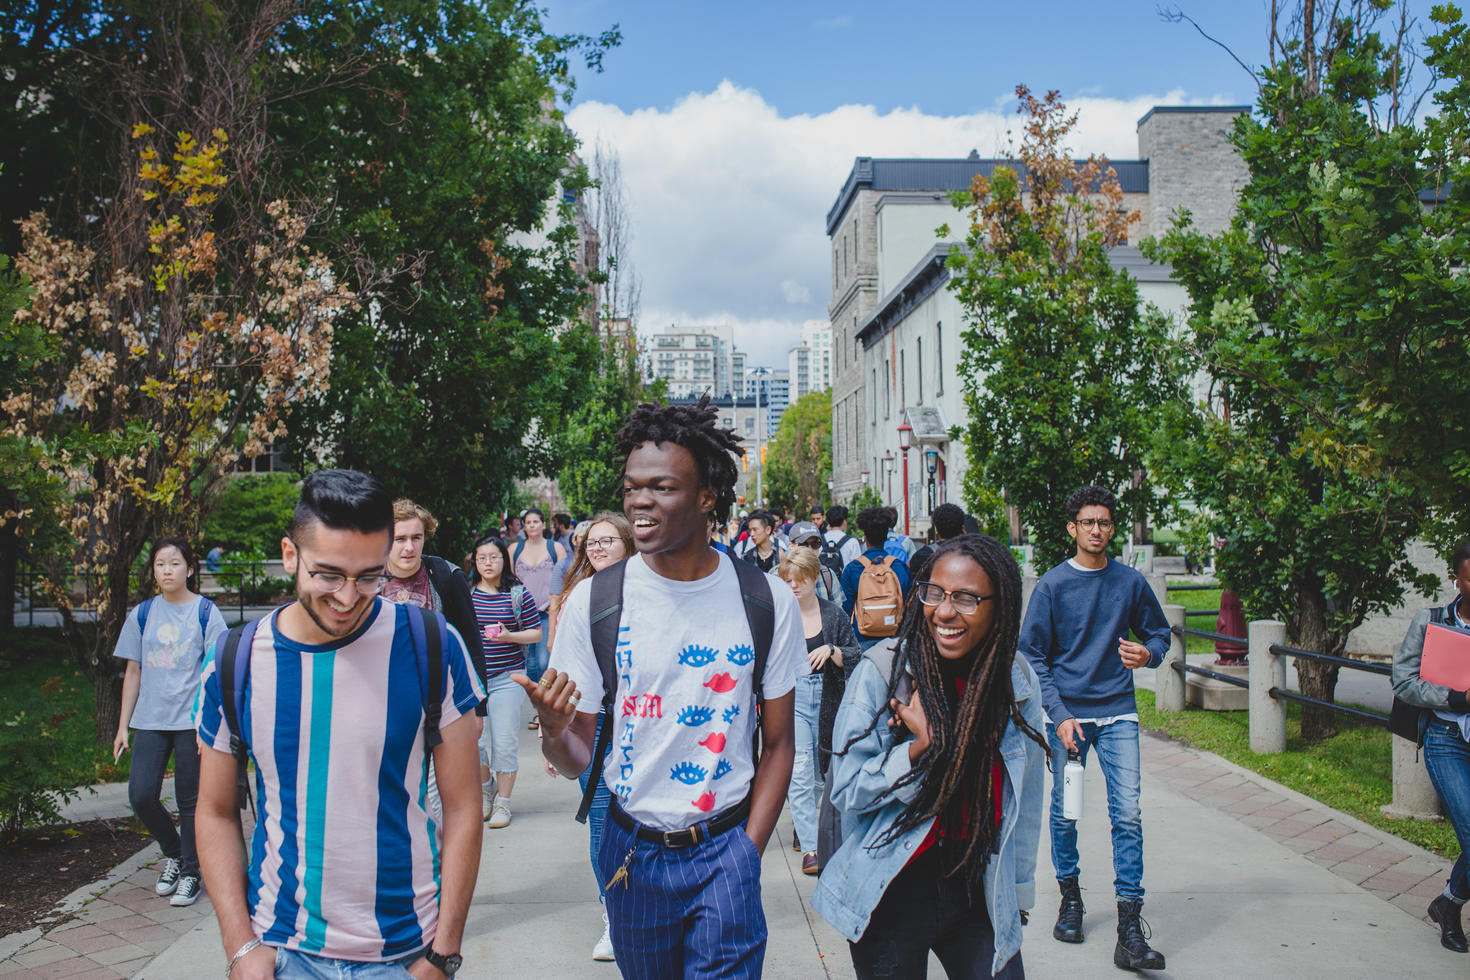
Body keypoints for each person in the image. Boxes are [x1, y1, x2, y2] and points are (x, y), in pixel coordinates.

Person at [523, 396, 803, 978]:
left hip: (725, 846)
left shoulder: (765, 600)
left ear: (706, 496)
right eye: (631, 488)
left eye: (662, 487)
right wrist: (552, 731)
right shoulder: (595, 603)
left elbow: (778, 744)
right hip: (631, 854)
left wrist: (748, 852)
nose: (640, 502)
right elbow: (576, 760)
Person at [195, 469, 485, 980]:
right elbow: (215, 811)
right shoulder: (234, 660)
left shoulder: (430, 644)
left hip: (405, 954)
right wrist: (239, 947)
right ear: (290, 555)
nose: (349, 597)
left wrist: (444, 955)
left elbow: (463, 806)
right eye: (329, 575)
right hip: (282, 953)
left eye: (369, 577)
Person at [816, 534, 1048, 978]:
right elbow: (846, 789)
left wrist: (1016, 893)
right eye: (935, 593)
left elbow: (1027, 797)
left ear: (999, 604)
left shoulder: (1015, 682)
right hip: (892, 888)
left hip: (977, 889)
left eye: (965, 598)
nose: (943, 611)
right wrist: (921, 747)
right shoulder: (885, 672)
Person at [1017, 485, 1170, 971]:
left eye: (1104, 522)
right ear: (1073, 528)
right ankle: (1071, 899)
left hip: (1119, 712)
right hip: (1070, 719)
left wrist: (1149, 654)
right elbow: (1031, 657)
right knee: (1067, 814)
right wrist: (1059, 717)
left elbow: (1160, 632)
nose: (1097, 530)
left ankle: (1129, 926)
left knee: (1127, 814)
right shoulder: (1053, 586)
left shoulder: (1129, 582)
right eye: (1088, 522)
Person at [113, 536, 226, 908]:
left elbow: (215, 672)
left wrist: (208, 724)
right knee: (141, 795)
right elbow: (133, 672)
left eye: (174, 563)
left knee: (190, 800)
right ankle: (175, 853)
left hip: (190, 723)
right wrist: (122, 727)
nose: (167, 570)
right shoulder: (142, 613)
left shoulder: (206, 612)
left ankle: (192, 873)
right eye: (160, 564)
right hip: (151, 720)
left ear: (189, 569)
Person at [547, 512, 636, 962]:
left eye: (608, 540)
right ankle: (614, 918)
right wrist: (557, 734)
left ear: (629, 543)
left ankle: (641, 909)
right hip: (597, 726)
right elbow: (562, 673)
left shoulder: (650, 589)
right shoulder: (580, 595)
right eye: (592, 543)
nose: (598, 548)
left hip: (642, 724)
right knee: (602, 823)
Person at [383, 499, 490, 818]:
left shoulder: (445, 575)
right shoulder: (367, 578)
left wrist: (478, 708)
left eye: (416, 538)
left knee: (437, 797)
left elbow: (471, 641)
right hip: (385, 703)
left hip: (440, 702)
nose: (408, 547)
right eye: (399, 539)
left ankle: (438, 861)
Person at [1392, 537, 1470, 954]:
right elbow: (1403, 681)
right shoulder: (1431, 622)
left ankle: (1447, 903)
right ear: (1455, 579)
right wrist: (1457, 698)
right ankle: (1451, 906)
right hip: (1447, 738)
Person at [777, 546, 859, 876]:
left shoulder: (833, 614)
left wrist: (833, 649)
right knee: (799, 772)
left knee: (823, 774)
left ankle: (822, 836)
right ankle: (812, 847)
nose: (793, 586)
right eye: (788, 580)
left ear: (813, 579)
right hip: (792, 697)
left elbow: (855, 654)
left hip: (828, 695)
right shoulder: (780, 614)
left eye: (800, 580)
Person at [465, 534, 542, 830]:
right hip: (473, 682)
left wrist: (509, 635)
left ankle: (503, 803)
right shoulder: (467, 594)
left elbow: (535, 632)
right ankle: (486, 788)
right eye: (482, 557)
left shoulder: (517, 594)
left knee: (506, 743)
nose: (488, 563)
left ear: (504, 561)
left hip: (508, 678)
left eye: (494, 557)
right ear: (474, 560)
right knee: (475, 744)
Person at [841, 506, 913, 649]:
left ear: (865, 538)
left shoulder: (852, 569)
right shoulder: (900, 567)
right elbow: (909, 602)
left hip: (862, 638)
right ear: (886, 536)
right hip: (894, 638)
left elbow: (847, 609)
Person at [513, 508, 562, 692]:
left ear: (543, 524)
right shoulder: (515, 549)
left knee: (544, 662)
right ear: (524, 526)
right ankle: (539, 708)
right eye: (528, 522)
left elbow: (566, 577)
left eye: (536, 521)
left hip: (547, 612)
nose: (532, 525)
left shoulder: (554, 548)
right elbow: (509, 581)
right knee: (529, 666)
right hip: (522, 616)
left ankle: (545, 705)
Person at [787, 520, 844, 606]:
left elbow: (838, 614)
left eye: (815, 544)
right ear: (791, 545)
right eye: (803, 544)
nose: (809, 549)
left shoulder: (828, 575)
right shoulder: (778, 576)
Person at [910, 502, 966, 578]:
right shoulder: (968, 554)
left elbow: (907, 571)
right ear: (962, 528)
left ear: (936, 529)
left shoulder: (924, 555)